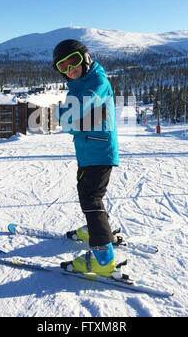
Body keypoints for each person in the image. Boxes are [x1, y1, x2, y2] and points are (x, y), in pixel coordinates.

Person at [53, 39, 119, 277]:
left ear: (86, 59)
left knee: (91, 198)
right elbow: (72, 123)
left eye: (74, 61)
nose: (70, 69)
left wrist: (70, 118)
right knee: (87, 191)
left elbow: (73, 116)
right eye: (63, 66)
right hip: (88, 151)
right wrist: (74, 120)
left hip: (99, 151)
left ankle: (103, 259)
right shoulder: (79, 84)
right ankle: (96, 229)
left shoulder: (96, 83)